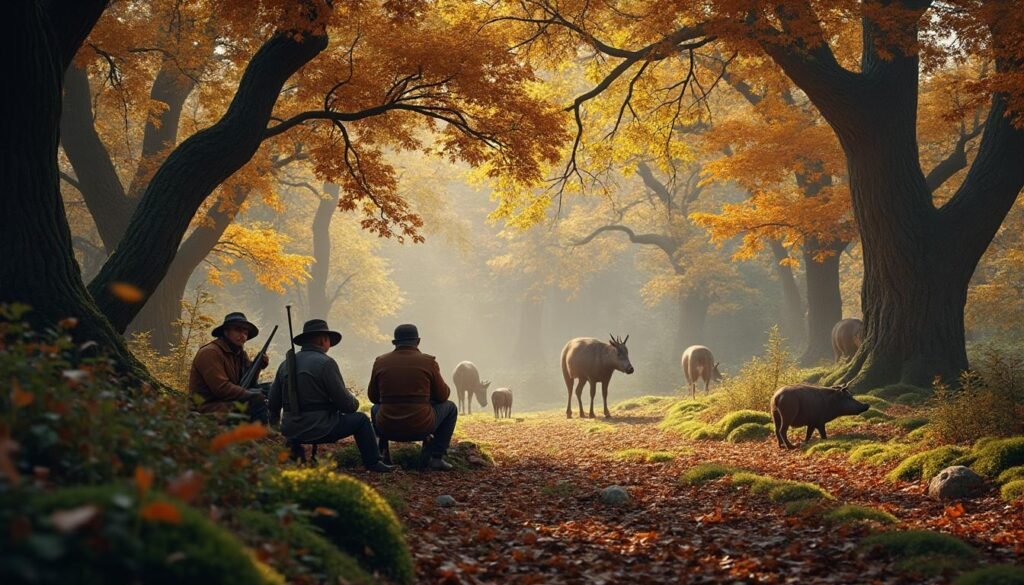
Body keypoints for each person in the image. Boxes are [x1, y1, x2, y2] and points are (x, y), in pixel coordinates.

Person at [268, 319, 395, 473]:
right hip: (320, 427)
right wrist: (353, 398)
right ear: (323, 340)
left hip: (291, 429)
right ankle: (374, 462)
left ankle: (295, 453)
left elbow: (273, 402)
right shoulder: (326, 363)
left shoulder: (285, 364)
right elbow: (347, 406)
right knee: (361, 420)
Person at [368, 323, 459, 471]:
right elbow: (443, 396)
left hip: (387, 426)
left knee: (374, 408)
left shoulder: (380, 362)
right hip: (421, 426)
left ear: (395, 343)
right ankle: (436, 457)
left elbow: (372, 397)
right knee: (451, 408)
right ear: (418, 341)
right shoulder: (428, 362)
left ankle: (382, 453)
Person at [188, 311, 269, 423]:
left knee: (270, 389)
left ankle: (270, 430)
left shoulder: (239, 354)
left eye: (245, 332)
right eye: (238, 330)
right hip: (208, 407)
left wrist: (258, 365)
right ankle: (263, 437)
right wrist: (252, 395)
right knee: (256, 400)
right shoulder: (210, 352)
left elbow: (248, 382)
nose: (243, 336)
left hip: (227, 401)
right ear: (226, 332)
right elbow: (222, 389)